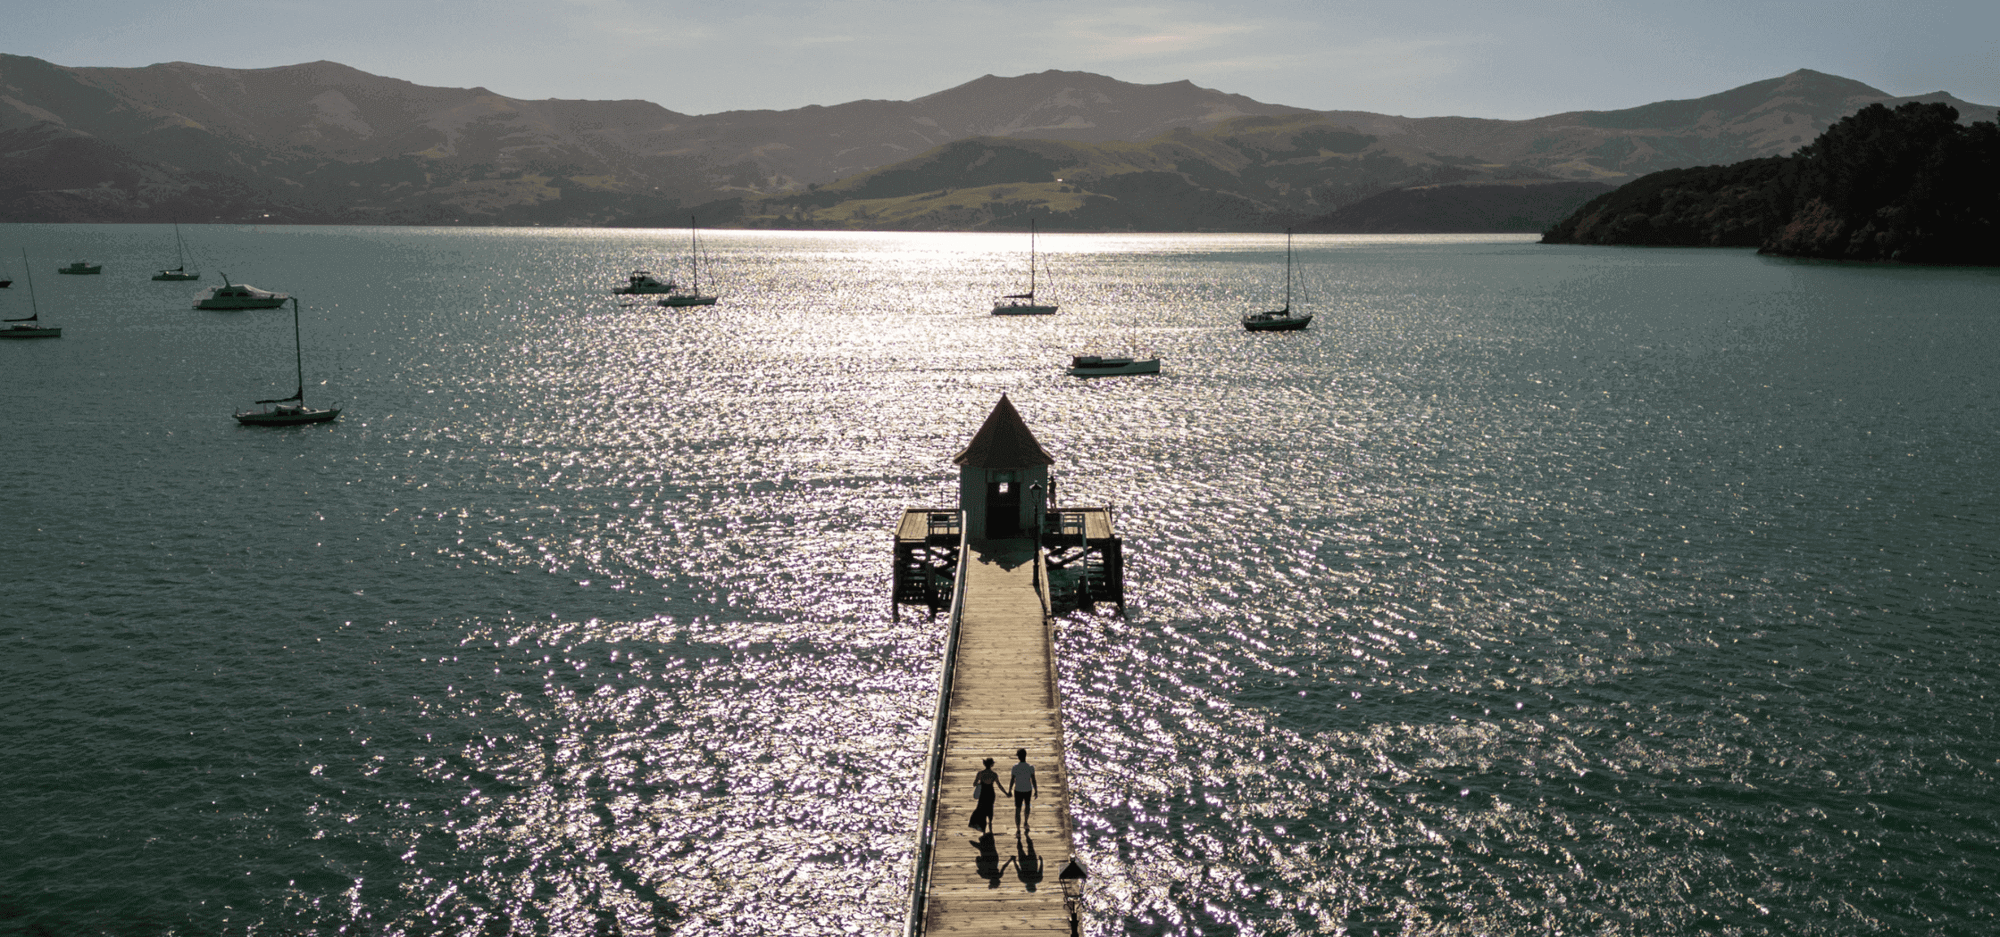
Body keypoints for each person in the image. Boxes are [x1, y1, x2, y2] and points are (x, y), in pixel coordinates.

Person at [1008, 748, 1037, 832]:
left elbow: (1012, 779)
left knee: (1018, 809)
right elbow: (1033, 780)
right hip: (1028, 789)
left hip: (1018, 790)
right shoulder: (1030, 767)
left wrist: (1009, 790)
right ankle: (1026, 822)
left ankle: (1018, 829)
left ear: (1018, 757)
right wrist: (1036, 790)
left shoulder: (1015, 767)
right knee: (1027, 806)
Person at [969, 757, 999, 833]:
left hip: (983, 793)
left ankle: (983, 827)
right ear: (992, 765)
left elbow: (974, 784)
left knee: (981, 809)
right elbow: (999, 785)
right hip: (991, 793)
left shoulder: (980, 773)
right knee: (990, 807)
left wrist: (979, 783)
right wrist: (1006, 793)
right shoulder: (994, 774)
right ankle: (990, 822)